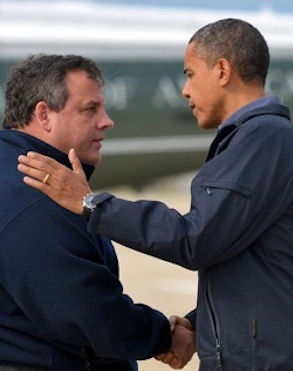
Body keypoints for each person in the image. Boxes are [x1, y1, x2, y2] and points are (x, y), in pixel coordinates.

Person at [18, 18, 293, 371]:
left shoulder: (261, 139)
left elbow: (197, 238)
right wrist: (197, 324)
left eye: (190, 74)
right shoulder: (254, 140)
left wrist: (91, 204)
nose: (185, 90)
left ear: (222, 71)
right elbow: (247, 259)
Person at [0, 54, 196, 370]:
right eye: (90, 109)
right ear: (44, 114)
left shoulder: (18, 174)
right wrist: (163, 336)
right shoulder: (34, 194)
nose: (107, 121)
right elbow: (87, 313)